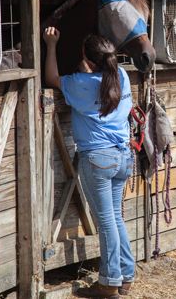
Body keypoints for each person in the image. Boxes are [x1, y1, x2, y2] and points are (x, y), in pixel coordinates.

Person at [44, 27, 135, 299]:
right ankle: (126, 275)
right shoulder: (122, 76)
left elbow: (50, 78)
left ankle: (108, 283)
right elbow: (99, 79)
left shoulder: (79, 84)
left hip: (98, 159)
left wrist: (51, 45)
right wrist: (88, 66)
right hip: (122, 157)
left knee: (106, 223)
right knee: (115, 219)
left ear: (89, 60)